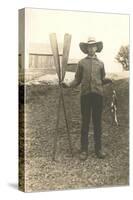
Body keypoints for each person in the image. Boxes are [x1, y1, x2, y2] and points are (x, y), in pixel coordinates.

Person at [62, 37, 112, 160]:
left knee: (97, 123)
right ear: (86, 49)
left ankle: (98, 149)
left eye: (93, 46)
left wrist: (108, 80)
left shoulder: (101, 64)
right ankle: (84, 150)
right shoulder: (81, 63)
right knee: (85, 122)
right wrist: (68, 85)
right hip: (85, 96)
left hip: (98, 96)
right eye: (89, 47)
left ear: (96, 48)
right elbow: (77, 79)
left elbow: (102, 78)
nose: (91, 49)